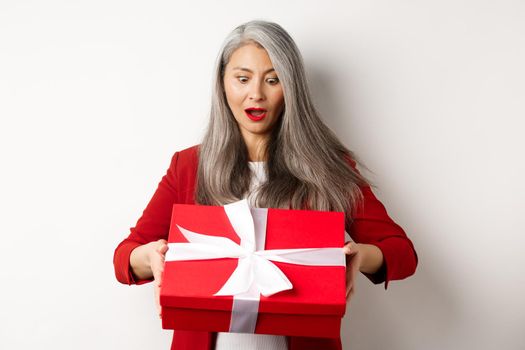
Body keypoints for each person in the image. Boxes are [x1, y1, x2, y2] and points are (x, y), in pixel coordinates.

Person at [113, 20, 418, 350]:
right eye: (242, 79)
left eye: (273, 80)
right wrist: (152, 257)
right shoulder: (189, 166)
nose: (255, 94)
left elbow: (402, 253)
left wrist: (361, 255)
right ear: (223, 83)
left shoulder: (328, 167)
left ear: (291, 88)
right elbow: (125, 257)